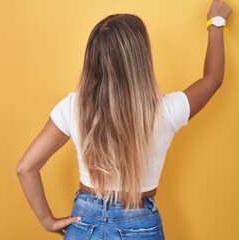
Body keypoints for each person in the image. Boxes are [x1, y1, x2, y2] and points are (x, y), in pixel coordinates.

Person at [16, 0, 232, 239]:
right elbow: (213, 78)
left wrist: (47, 221)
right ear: (140, 60)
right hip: (140, 222)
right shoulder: (166, 110)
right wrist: (216, 23)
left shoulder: (73, 107)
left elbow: (26, 168)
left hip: (83, 222)